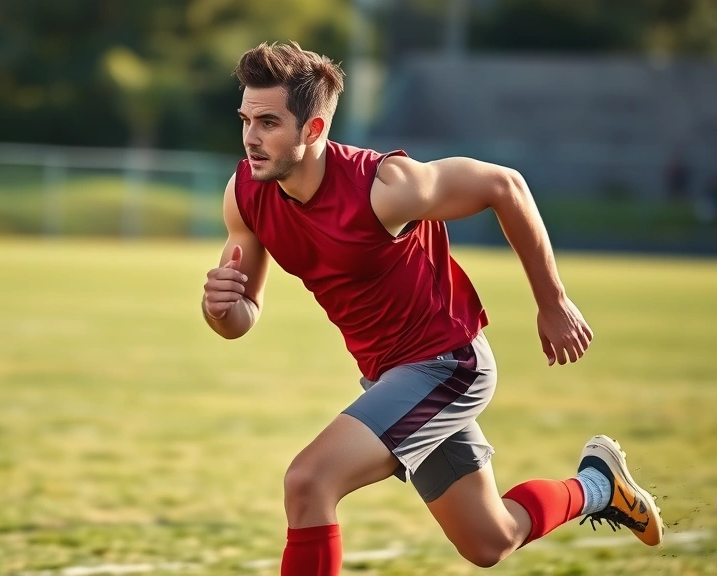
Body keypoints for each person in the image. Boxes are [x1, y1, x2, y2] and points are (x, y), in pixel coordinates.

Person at [199, 41, 663, 574]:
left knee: (309, 482)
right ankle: (600, 485)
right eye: (246, 120)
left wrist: (552, 301)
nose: (250, 138)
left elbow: (504, 185)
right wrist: (220, 308)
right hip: (389, 378)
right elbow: (240, 317)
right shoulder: (245, 194)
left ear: (314, 129)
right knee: (489, 540)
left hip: (449, 365)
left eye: (268, 123)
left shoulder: (387, 187)